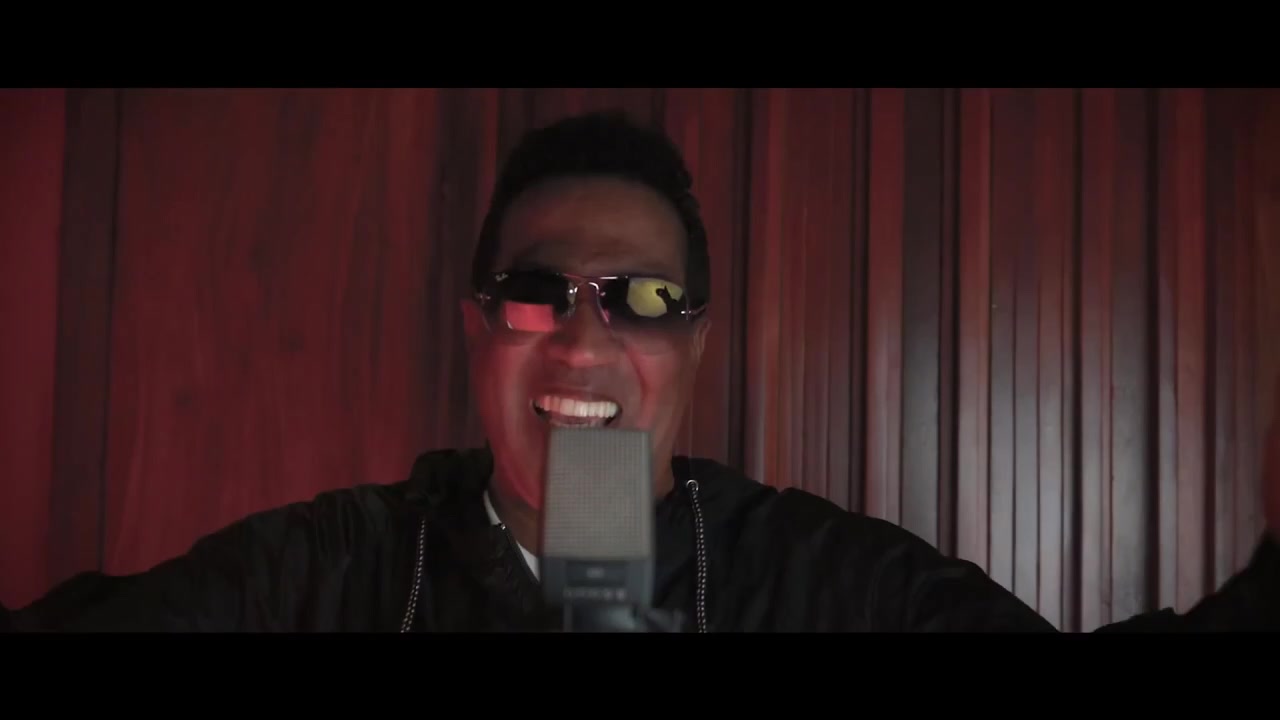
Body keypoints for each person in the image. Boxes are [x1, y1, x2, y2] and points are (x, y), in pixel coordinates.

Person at [4, 111, 1279, 632]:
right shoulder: (336, 571)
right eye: (535, 292)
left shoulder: (808, 579)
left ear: (698, 344)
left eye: (645, 300)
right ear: (477, 328)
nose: (582, 341)